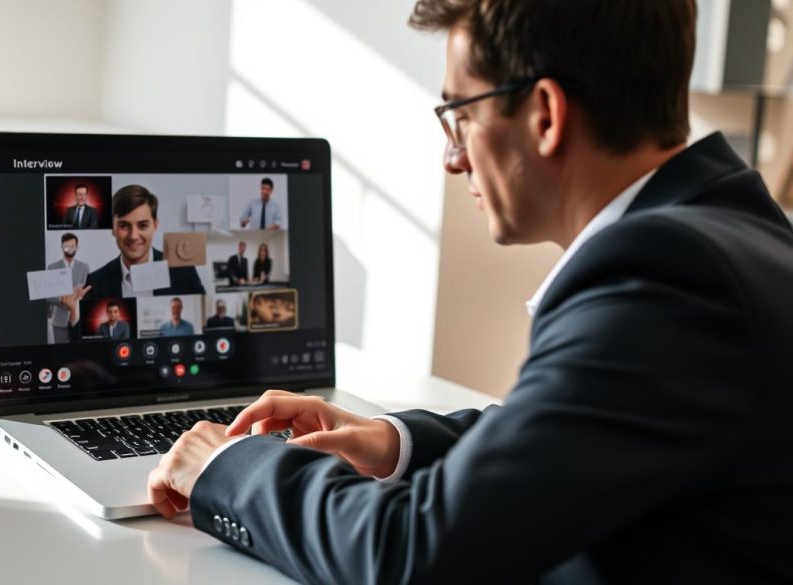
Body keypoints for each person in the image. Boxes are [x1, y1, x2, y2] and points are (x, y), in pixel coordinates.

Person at [147, 1, 793, 583]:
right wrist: (391, 441)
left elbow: (412, 555)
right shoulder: (736, 223)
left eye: (459, 116)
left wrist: (232, 466)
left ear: (544, 114)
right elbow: (576, 435)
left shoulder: (660, 274)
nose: (451, 159)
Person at [84, 185, 205, 300]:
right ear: (113, 229)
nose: (133, 236)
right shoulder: (95, 282)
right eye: (124, 225)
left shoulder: (184, 271)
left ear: (155, 225)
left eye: (142, 225)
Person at [46, 232, 89, 343]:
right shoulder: (52, 268)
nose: (69, 249)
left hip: (78, 319)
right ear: (61, 247)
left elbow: (86, 292)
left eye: (72, 246)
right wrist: (64, 299)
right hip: (60, 320)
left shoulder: (84, 267)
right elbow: (48, 297)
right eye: (66, 246)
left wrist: (80, 296)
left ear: (77, 247)